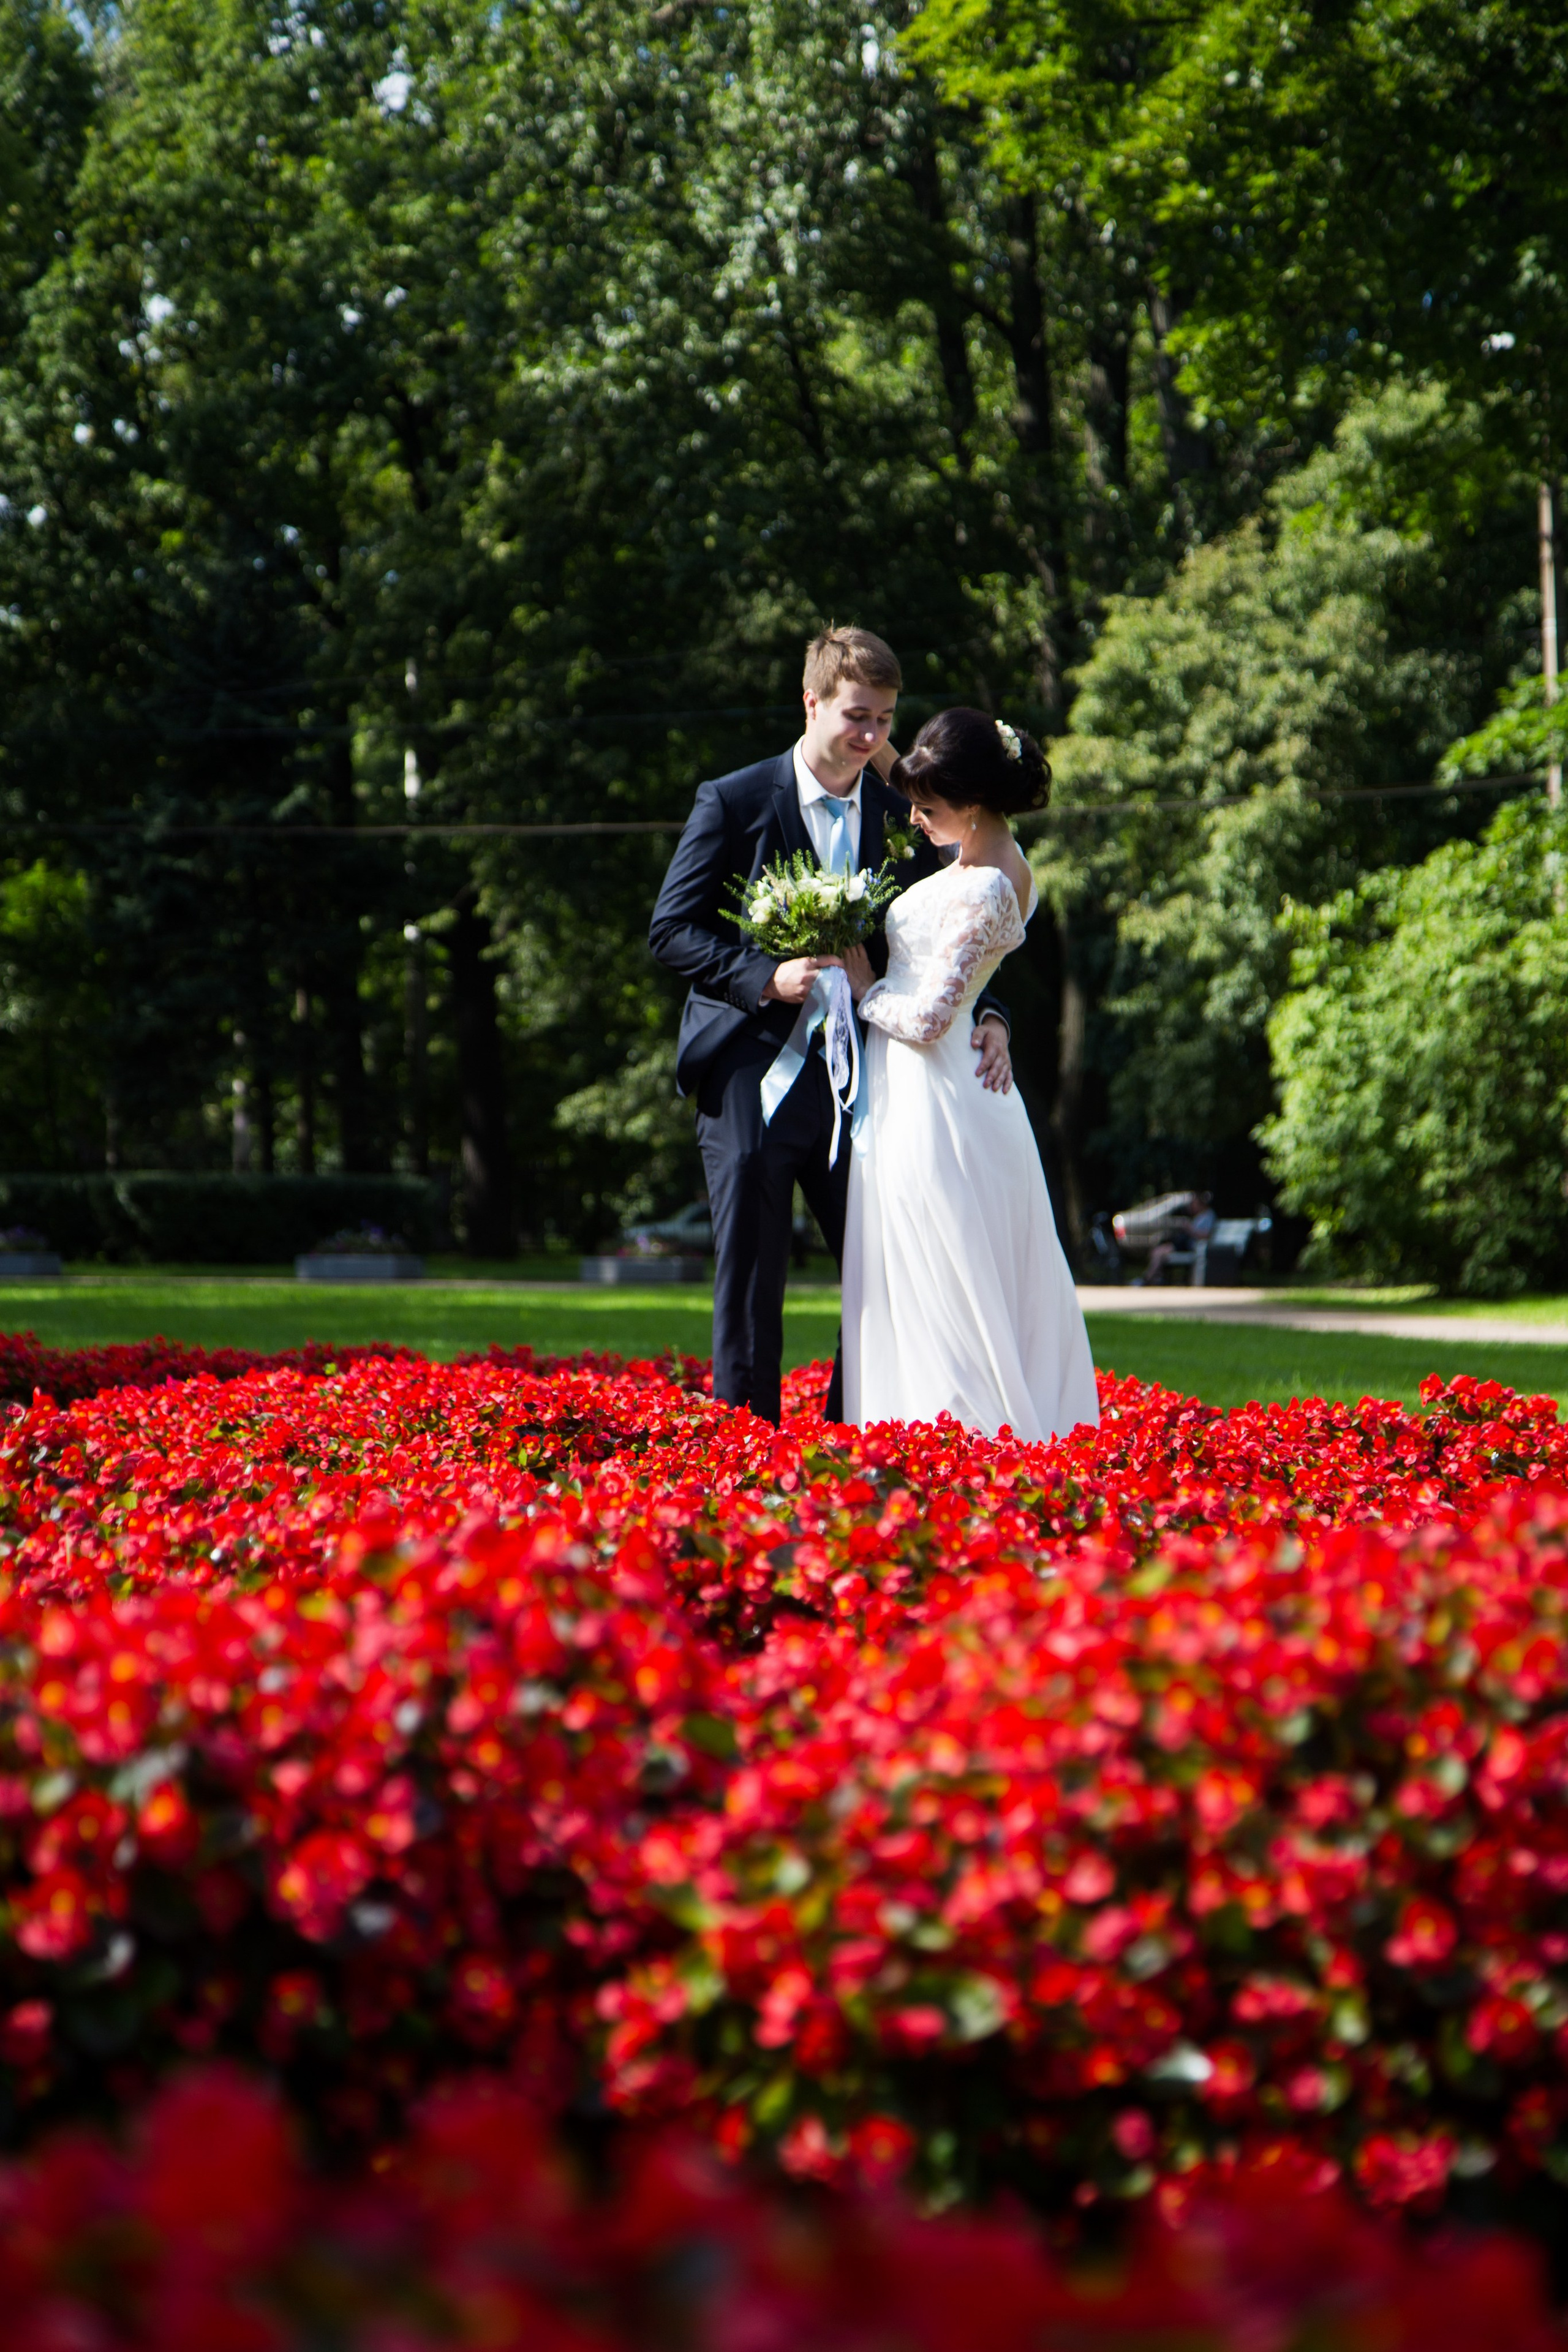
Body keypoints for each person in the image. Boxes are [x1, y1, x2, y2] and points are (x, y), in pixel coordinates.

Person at [648, 627, 1014, 1423]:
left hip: (871, 1076)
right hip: (750, 1065)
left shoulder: (901, 817)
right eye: (857, 716)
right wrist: (763, 978)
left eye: (885, 720)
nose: (873, 737)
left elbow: (952, 931)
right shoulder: (735, 800)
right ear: (811, 701)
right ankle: (748, 1448)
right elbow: (670, 929)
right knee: (752, 1270)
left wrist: (989, 1014)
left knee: (884, 1266)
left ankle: (855, 1437)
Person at [840, 707, 1099, 1441]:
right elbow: (904, 773)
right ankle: (927, 1435)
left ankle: (966, 1438)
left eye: (928, 808)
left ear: (974, 804)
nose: (914, 818)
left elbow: (925, 1020)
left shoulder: (988, 886)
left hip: (942, 1097)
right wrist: (863, 725)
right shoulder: (982, 859)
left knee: (945, 1273)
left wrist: (867, 993)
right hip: (934, 1085)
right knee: (928, 1271)